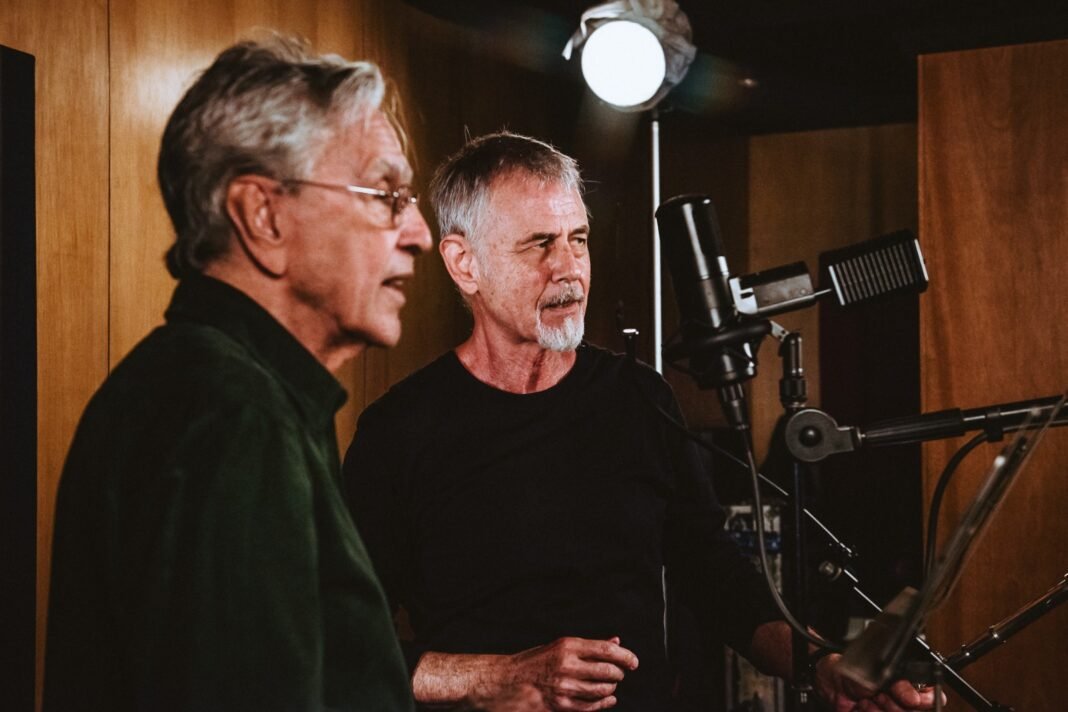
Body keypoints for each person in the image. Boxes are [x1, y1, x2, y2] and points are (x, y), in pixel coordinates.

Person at [342, 132, 942, 711]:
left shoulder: (637, 398)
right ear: (464, 263)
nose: (569, 268)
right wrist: (500, 677)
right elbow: (339, 647)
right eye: (538, 244)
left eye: (578, 239)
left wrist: (823, 667)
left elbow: (712, 573)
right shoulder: (400, 432)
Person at [43, 36, 433, 711]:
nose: (420, 232)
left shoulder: (212, 387)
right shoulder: (232, 416)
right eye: (386, 193)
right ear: (264, 216)